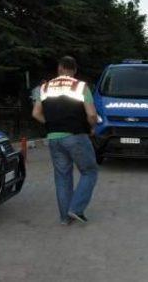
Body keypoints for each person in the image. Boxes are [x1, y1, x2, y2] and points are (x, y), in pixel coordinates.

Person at [32, 56, 99, 225]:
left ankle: (64, 218)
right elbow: (91, 114)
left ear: (59, 68)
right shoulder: (80, 86)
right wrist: (92, 127)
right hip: (76, 135)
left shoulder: (44, 87)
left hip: (54, 138)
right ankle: (76, 209)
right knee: (89, 171)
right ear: (74, 70)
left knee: (62, 177)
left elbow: (35, 113)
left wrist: (51, 124)